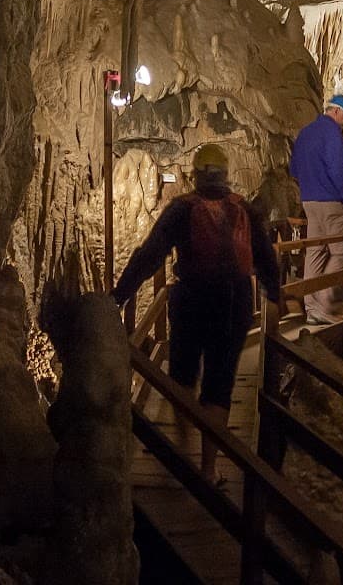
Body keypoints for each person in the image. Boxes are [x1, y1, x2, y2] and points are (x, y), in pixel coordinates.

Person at [112, 144, 282, 486]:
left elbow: (150, 255)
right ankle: (208, 467)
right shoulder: (244, 210)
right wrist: (274, 297)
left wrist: (119, 295)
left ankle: (181, 444)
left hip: (191, 298)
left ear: (195, 175)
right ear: (226, 175)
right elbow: (266, 262)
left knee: (182, 376)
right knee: (220, 384)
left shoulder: (181, 209)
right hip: (234, 304)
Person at [288, 94, 343, 323]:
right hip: (330, 200)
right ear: (337, 111)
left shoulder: (305, 132)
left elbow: (294, 170)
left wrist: (310, 186)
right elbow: (338, 169)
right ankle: (325, 302)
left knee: (315, 252)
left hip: (309, 201)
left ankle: (312, 309)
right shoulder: (332, 133)